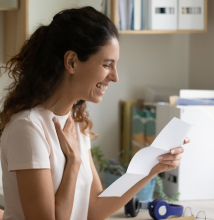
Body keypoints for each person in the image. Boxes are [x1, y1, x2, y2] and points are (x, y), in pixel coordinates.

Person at [0, 6, 189, 220]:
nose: (114, 77)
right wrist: (73, 164)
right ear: (71, 62)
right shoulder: (28, 128)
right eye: (107, 65)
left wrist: (152, 167)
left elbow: (93, 208)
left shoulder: (76, 124)